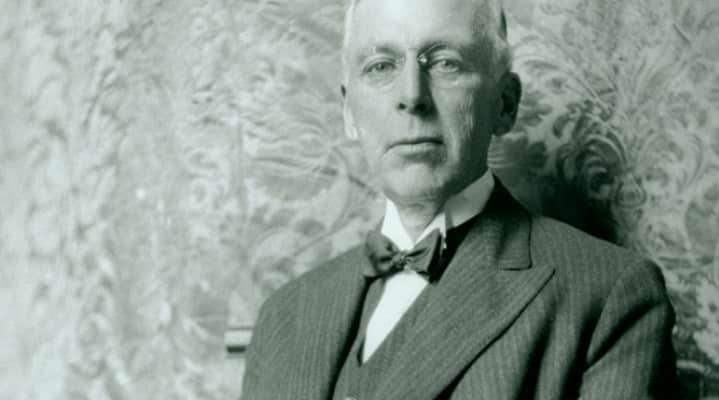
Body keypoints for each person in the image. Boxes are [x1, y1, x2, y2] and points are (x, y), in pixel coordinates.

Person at [240, 0, 678, 398]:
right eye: (380, 66)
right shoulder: (283, 316)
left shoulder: (609, 295)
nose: (411, 96)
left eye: (445, 63)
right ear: (348, 111)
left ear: (504, 104)